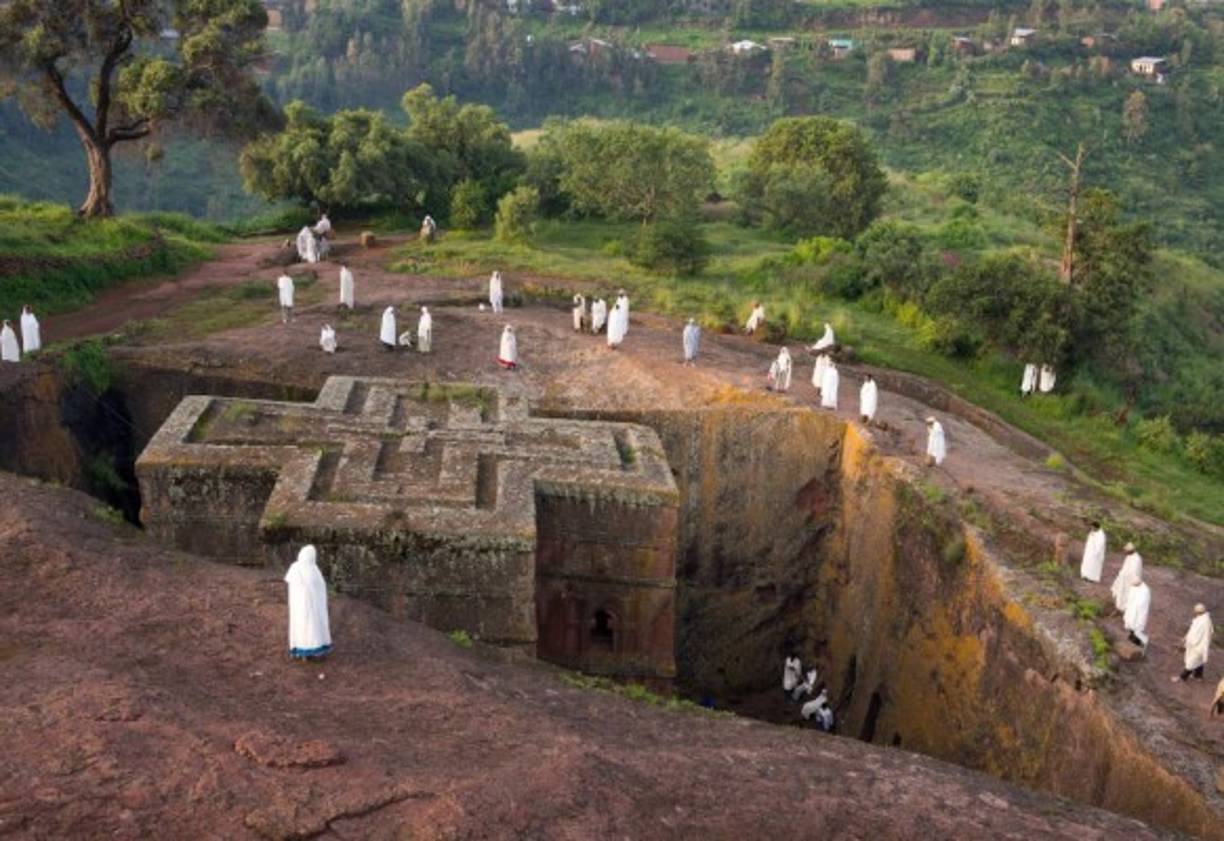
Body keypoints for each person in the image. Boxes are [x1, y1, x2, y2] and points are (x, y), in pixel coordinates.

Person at [285, 545, 332, 660]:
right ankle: (304, 651)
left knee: (309, 627)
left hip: (307, 606)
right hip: (303, 606)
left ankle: (308, 651)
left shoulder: (311, 569)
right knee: (307, 627)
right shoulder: (300, 569)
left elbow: (320, 586)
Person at [1174, 604, 1213, 682]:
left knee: (1191, 662)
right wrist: (1185, 637)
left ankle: (1182, 677)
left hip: (1199, 645)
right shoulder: (1199, 619)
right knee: (1198, 661)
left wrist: (1192, 641)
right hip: (1194, 644)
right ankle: (1198, 676)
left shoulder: (1205, 622)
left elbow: (1205, 635)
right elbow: (1192, 630)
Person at [1111, 543, 1143, 612]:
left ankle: (1125, 608)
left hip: (1130, 581)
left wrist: (1125, 575)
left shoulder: (1137, 559)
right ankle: (1120, 607)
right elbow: (1125, 568)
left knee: (1127, 595)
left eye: (1126, 550)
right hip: (1124, 579)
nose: (1125, 552)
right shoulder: (1129, 556)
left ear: (1131, 551)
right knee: (1121, 593)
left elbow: (1134, 571)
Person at [1124, 577, 1151, 648]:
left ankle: (1141, 641)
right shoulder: (1134, 587)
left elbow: (1142, 604)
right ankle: (1133, 638)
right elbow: (1130, 597)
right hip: (1132, 610)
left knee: (1137, 628)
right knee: (1131, 625)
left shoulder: (1145, 591)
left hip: (1139, 612)